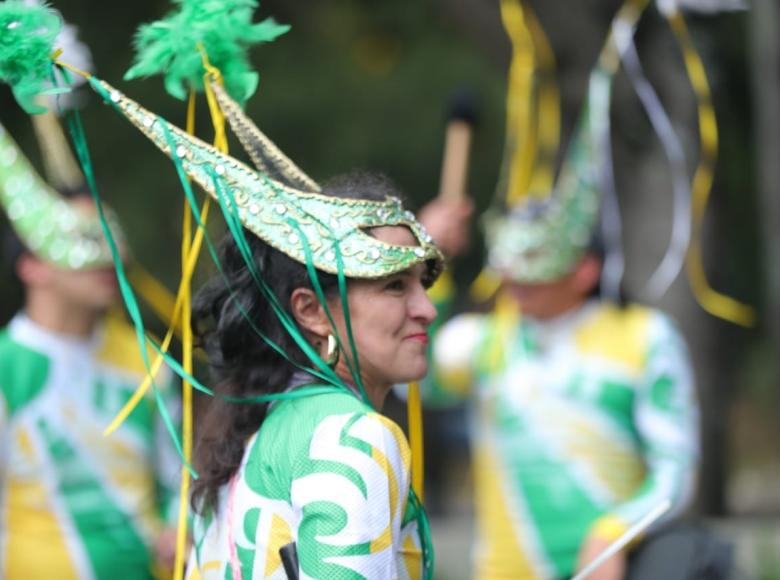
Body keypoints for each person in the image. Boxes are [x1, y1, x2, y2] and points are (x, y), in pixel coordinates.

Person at [417, 3, 700, 578]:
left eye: (537, 265)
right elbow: (419, 377)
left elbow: (678, 470)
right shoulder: (485, 343)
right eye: (510, 265)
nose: (516, 280)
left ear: (585, 269)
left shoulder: (644, 339)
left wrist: (615, 533)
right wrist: (429, 261)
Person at [0, 119, 180, 578]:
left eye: (110, 238)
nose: (108, 256)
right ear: (32, 266)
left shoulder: (147, 359)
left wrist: (180, 522)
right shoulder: (6, 367)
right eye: (82, 240)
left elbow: (176, 481)